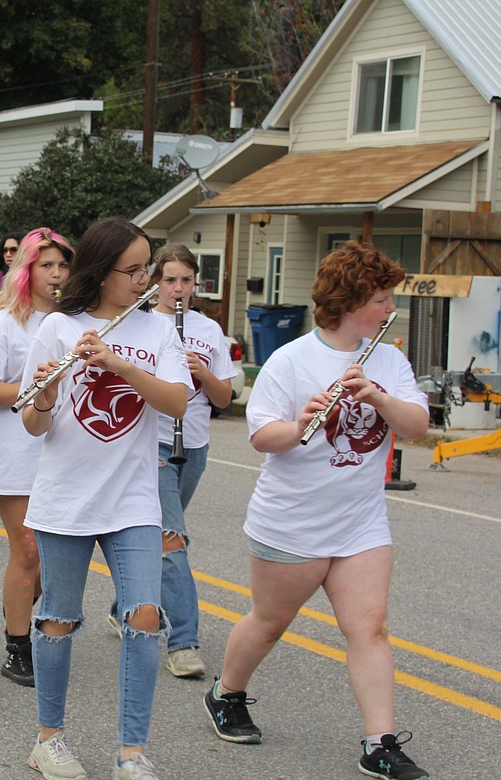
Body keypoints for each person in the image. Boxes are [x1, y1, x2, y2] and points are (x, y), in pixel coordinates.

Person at [204, 242, 430, 780]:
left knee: (370, 628)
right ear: (351, 302)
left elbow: (417, 426)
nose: (389, 307)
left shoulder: (388, 358)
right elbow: (263, 436)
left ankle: (380, 744)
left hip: (360, 522)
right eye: (381, 298)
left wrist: (377, 397)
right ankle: (227, 693)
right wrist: (304, 421)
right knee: (270, 623)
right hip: (293, 521)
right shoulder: (291, 359)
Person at [20, 217, 190, 780]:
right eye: (135, 270)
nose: (146, 280)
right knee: (58, 619)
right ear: (101, 270)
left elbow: (176, 403)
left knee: (144, 616)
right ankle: (49, 739)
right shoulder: (57, 328)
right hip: (67, 498)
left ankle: (132, 751)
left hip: (134, 500)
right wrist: (45, 393)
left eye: (149, 269)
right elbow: (33, 424)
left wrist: (117, 362)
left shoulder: (158, 330)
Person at [106, 244, 237, 680]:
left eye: (186, 280)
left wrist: (204, 373)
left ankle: (122, 603)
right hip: (152, 444)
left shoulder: (209, 329)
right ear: (155, 282)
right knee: (171, 540)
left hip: (194, 445)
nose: (178, 289)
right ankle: (183, 642)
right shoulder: (141, 324)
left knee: (159, 540)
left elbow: (223, 399)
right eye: (169, 279)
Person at [0, 227, 72, 688]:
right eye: (46, 265)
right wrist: (37, 384)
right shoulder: (8, 321)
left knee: (51, 557)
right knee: (27, 550)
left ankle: (19, 606)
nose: (57, 274)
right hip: (16, 453)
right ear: (26, 270)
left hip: (66, 453)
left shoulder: (77, 322)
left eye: (64, 265)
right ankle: (17, 647)